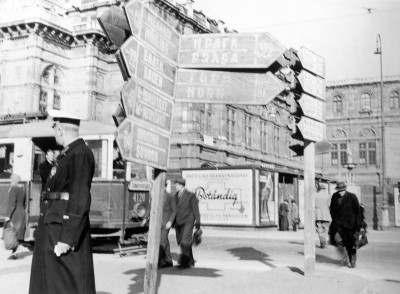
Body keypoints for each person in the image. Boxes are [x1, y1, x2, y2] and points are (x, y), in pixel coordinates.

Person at [29, 110, 96, 294]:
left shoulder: (80, 153)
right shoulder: (68, 154)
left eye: (54, 129)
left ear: (59, 129)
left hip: (63, 231)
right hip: (53, 227)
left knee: (66, 285)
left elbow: (79, 197)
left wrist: (68, 237)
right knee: (52, 283)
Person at [330, 181, 361, 268]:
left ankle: (353, 261)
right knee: (337, 240)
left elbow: (357, 211)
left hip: (350, 225)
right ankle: (345, 258)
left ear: (345, 189)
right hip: (339, 225)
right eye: (339, 190)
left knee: (351, 244)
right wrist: (334, 219)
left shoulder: (352, 197)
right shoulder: (334, 196)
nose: (340, 192)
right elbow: (332, 210)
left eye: (342, 190)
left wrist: (358, 225)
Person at [173, 177, 201, 269]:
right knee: (183, 242)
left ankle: (185, 263)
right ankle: (191, 260)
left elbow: (195, 209)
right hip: (178, 222)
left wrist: (198, 222)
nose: (174, 186)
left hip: (188, 221)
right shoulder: (175, 195)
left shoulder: (190, 195)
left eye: (176, 185)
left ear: (181, 185)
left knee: (185, 241)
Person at [5, 174, 27, 259]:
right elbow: (24, 203)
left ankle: (17, 250)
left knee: (11, 232)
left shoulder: (13, 189)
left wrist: (8, 215)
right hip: (21, 212)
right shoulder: (22, 190)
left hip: (15, 213)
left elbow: (12, 204)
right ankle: (14, 254)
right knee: (16, 233)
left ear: (13, 180)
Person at [158, 179, 176, 269]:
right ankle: (168, 261)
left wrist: (170, 221)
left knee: (161, 241)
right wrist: (144, 219)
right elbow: (150, 208)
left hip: (166, 223)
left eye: (163, 186)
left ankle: (159, 262)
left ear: (165, 186)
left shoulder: (169, 196)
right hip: (157, 223)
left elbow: (174, 210)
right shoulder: (155, 196)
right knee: (165, 242)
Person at [315, 183, 331, 248]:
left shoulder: (315, 195)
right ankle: (324, 239)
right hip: (326, 214)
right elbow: (330, 205)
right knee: (326, 228)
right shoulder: (328, 196)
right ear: (324, 189)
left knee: (319, 228)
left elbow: (314, 205)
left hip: (318, 214)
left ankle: (321, 240)